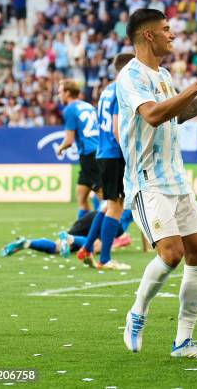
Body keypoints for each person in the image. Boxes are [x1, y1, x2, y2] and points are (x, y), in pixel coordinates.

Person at [115, 8, 197, 358]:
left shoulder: (164, 74)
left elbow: (179, 113)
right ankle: (137, 312)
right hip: (147, 181)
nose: (173, 35)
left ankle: (184, 341)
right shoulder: (130, 76)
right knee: (171, 254)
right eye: (167, 29)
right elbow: (153, 115)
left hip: (176, 179)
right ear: (148, 35)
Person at [76, 53, 135, 271]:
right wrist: (128, 153)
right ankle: (105, 259)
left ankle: (87, 248)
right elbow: (116, 127)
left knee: (107, 204)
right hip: (114, 153)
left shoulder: (107, 90)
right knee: (116, 207)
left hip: (102, 153)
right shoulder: (123, 89)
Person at [56, 79, 103, 219]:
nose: (58, 95)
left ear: (67, 93)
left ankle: (115, 233)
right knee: (81, 196)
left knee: (103, 198)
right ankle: (84, 231)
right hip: (95, 152)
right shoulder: (88, 106)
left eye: (60, 92)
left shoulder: (69, 109)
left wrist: (60, 148)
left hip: (90, 155)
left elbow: (69, 141)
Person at [0, 211, 133, 258]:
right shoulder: (142, 203)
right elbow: (146, 229)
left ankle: (27, 243)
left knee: (57, 247)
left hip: (93, 216)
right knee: (97, 247)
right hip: (111, 221)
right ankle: (70, 238)